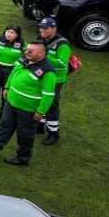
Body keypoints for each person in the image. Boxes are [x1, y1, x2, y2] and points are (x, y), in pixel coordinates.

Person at [0, 42, 56, 166]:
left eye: (31, 51)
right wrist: (7, 87)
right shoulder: (24, 59)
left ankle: (23, 158)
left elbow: (48, 94)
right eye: (26, 50)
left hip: (28, 109)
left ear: (42, 53)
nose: (27, 52)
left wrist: (41, 111)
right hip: (11, 102)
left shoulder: (48, 72)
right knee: (3, 127)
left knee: (25, 134)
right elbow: (14, 72)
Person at [35, 16, 73, 145]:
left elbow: (62, 64)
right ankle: (40, 126)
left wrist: (44, 57)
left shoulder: (63, 45)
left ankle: (53, 133)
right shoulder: (41, 38)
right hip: (43, 76)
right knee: (40, 100)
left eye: (45, 28)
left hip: (56, 80)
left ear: (54, 28)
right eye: (41, 27)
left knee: (51, 105)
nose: (42, 30)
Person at [0, 25, 24, 123]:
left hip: (10, 72)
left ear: (17, 35)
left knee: (6, 94)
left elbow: (28, 54)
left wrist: (18, 65)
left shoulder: (22, 43)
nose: (9, 34)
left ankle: (2, 116)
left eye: (12, 33)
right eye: (7, 32)